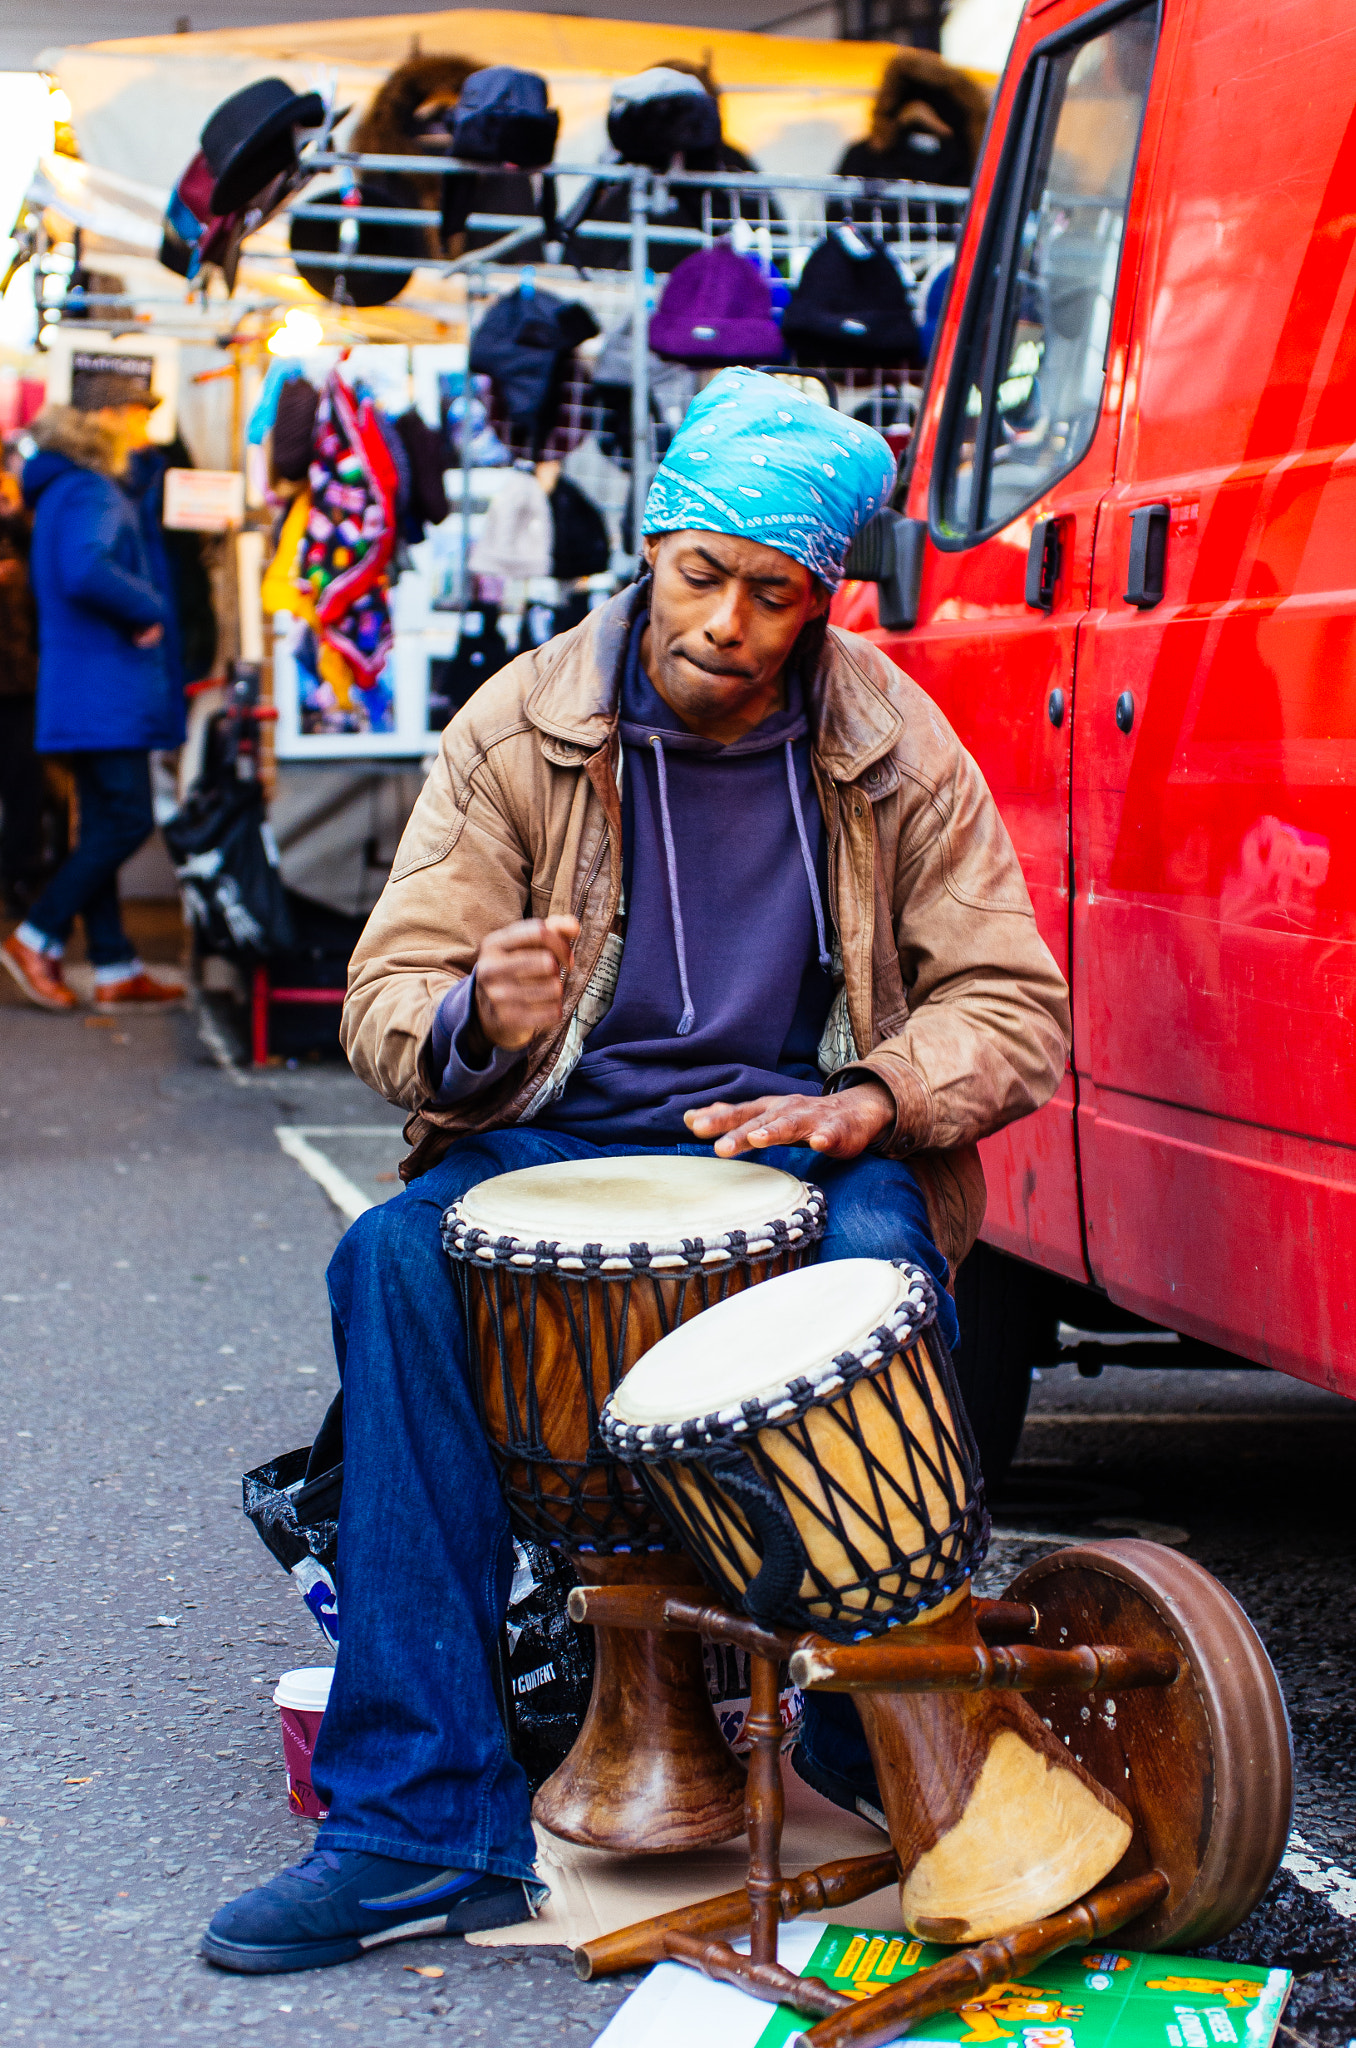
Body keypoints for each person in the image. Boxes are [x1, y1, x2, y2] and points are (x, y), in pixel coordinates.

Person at [201, 369, 1070, 1975]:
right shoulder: (519, 728)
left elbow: (1014, 1003)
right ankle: (418, 1823)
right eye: (701, 575)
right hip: (563, 1140)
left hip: (800, 1140)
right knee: (390, 1257)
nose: (728, 622)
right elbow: (389, 1002)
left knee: (883, 1277)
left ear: (824, 602)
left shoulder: (892, 744)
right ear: (655, 546)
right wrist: (475, 1018)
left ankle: (880, 1729)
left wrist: (877, 1095)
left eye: (773, 593)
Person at [0, 367, 186, 1011]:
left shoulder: (61, 487)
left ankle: (114, 965)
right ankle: (36, 932)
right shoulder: (92, 488)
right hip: (105, 693)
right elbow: (86, 569)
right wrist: (149, 608)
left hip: (84, 691)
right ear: (105, 418)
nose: (144, 427)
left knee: (104, 823)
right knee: (128, 818)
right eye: (136, 414)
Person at [0, 458, 41, 914]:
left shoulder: (17, 523)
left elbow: (43, 566)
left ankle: (19, 876)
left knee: (23, 783)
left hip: (19, 675)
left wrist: (15, 516)